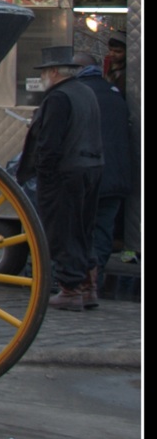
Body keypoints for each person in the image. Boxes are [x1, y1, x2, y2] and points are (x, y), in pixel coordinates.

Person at [16, 46, 103, 311]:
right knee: (83, 229)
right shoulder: (86, 92)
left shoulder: (58, 98)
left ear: (53, 72)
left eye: (45, 72)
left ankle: (70, 288)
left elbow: (50, 143)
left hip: (65, 172)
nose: (43, 77)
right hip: (91, 167)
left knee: (62, 230)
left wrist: (43, 172)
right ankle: (87, 286)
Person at [73, 51, 135, 297]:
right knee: (103, 229)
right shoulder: (115, 95)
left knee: (81, 228)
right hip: (119, 176)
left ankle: (83, 281)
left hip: (91, 173)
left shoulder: (80, 95)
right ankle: (95, 278)